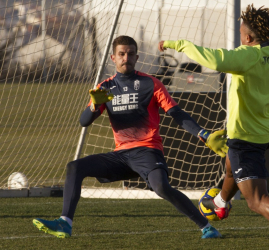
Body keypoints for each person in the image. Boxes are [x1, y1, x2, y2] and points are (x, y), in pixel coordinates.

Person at [158, 4, 269, 250]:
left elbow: (212, 58)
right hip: (263, 130)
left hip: (245, 136)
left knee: (256, 200)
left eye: (240, 34)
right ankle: (221, 204)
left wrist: (178, 44)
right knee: (230, 166)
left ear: (247, 38)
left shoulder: (247, 55)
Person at [33, 35, 228, 239]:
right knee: (75, 167)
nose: (126, 57)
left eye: (131, 54)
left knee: (162, 188)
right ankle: (65, 223)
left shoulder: (151, 84)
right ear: (113, 58)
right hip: (121, 156)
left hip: (147, 151)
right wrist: (94, 106)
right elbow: (83, 121)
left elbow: (176, 113)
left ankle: (207, 227)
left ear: (137, 57)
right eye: (121, 54)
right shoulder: (104, 88)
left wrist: (202, 133)